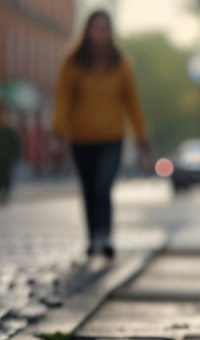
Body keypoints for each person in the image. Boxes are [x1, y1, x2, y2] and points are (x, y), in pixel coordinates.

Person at [52, 9, 149, 259]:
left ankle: (104, 235)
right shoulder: (72, 62)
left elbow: (132, 103)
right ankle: (92, 236)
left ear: (110, 32)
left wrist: (141, 137)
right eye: (96, 28)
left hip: (112, 138)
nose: (100, 34)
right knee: (88, 189)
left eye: (105, 29)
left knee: (103, 186)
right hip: (81, 138)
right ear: (87, 31)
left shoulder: (121, 63)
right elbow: (63, 99)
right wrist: (58, 132)